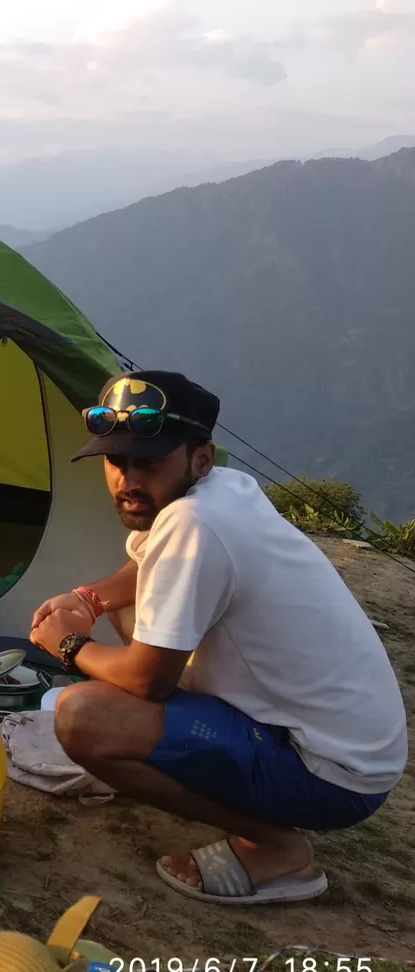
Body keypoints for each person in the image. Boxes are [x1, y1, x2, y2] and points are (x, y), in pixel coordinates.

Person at [29, 370, 407, 904]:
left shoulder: (196, 522)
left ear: (199, 458)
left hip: (330, 773)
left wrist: (69, 644)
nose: (128, 479)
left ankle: (275, 848)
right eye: (117, 462)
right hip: (346, 746)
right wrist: (88, 599)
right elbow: (142, 571)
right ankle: (162, 756)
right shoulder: (221, 491)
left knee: (83, 717)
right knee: (133, 614)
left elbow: (147, 682)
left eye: (149, 462)